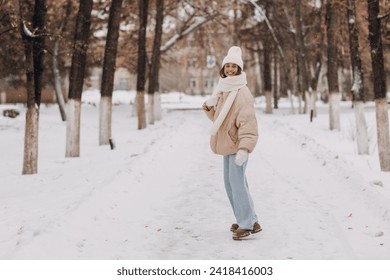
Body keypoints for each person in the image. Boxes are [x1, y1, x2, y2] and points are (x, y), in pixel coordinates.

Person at [202, 46, 261, 240]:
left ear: (239, 69)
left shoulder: (241, 92)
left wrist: (245, 148)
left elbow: (248, 123)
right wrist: (209, 108)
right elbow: (222, 120)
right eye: (227, 66)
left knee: (236, 183)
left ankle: (246, 224)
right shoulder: (224, 88)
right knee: (231, 184)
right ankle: (250, 219)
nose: (230, 69)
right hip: (229, 144)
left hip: (238, 146)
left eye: (234, 66)